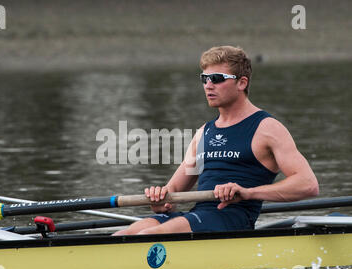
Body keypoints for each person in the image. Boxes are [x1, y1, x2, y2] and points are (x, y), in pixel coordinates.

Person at [113, 45, 319, 235]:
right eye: (205, 79)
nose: (208, 86)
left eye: (217, 78)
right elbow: (173, 192)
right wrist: (160, 200)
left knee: (148, 236)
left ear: (241, 83)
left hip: (233, 220)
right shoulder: (204, 132)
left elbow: (308, 184)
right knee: (123, 235)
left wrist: (247, 193)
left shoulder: (267, 128)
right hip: (200, 217)